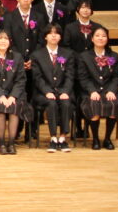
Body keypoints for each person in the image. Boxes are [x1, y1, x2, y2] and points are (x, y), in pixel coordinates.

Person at [0, 30, 29, 154]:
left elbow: (21, 80)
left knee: (14, 107)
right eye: (0, 38)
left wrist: (13, 96)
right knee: (0, 107)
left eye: (6, 38)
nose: (3, 41)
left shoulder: (17, 57)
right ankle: (2, 143)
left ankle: (11, 143)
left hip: (15, 95)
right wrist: (1, 96)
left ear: (10, 42)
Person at [33, 22, 76, 152]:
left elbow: (70, 76)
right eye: (50, 33)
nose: (53, 36)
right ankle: (53, 138)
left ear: (60, 37)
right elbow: (37, 77)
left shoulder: (68, 54)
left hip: (63, 90)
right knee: (51, 103)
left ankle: (62, 138)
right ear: (45, 36)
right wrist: (47, 91)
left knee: (66, 103)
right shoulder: (37, 55)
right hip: (44, 92)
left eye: (56, 33)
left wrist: (65, 91)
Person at [78, 27, 118, 150]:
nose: (100, 38)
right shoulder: (84, 56)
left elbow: (117, 77)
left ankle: (107, 139)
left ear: (107, 39)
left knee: (114, 104)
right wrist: (92, 91)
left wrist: (111, 90)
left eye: (103, 36)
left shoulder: (114, 56)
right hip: (91, 91)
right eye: (97, 35)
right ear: (92, 39)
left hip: (109, 90)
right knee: (94, 105)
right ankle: (95, 139)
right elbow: (83, 78)